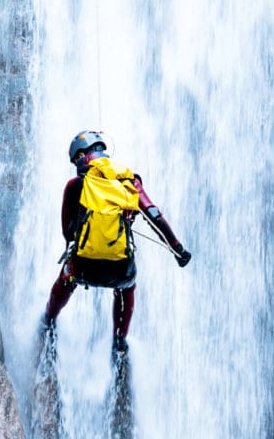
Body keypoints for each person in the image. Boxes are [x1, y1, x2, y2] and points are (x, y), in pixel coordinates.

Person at [43, 130, 191, 355]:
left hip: (83, 267)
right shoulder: (128, 180)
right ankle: (119, 341)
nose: (76, 163)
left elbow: (68, 233)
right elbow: (153, 214)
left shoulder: (74, 186)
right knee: (127, 286)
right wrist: (177, 248)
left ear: (82, 154)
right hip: (120, 270)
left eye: (75, 159)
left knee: (67, 275)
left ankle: (49, 320)